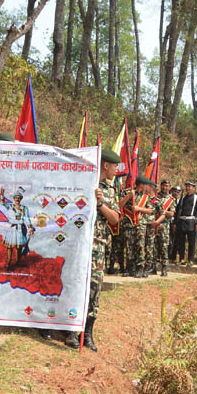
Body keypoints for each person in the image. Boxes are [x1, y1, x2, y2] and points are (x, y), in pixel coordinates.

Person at [81, 148, 123, 351]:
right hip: (79, 243)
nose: (116, 170)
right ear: (106, 165)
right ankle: (71, 331)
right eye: (115, 166)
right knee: (77, 284)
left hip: (98, 245)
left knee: (95, 287)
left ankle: (88, 332)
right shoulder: (83, 182)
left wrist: (100, 205)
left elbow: (115, 219)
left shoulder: (109, 190)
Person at [0, 187, 34, 269]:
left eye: (19, 198)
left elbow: (27, 219)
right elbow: (3, 203)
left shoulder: (24, 208)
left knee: (19, 247)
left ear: (21, 199)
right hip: (12, 229)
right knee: (9, 247)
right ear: (14, 199)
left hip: (20, 229)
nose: (17, 199)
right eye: (16, 198)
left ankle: (18, 262)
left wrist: (30, 228)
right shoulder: (10, 206)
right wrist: (2, 195)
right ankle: (8, 263)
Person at [174, 181, 197, 266]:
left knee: (191, 242)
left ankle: (191, 260)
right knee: (181, 242)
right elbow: (178, 210)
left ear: (194, 188)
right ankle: (182, 259)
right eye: (186, 186)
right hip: (181, 222)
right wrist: (175, 222)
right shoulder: (183, 198)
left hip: (191, 222)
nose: (187, 188)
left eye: (189, 186)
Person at [154, 180, 175, 276]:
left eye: (167, 186)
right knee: (153, 246)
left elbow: (171, 213)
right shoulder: (155, 196)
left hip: (164, 226)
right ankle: (152, 266)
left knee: (164, 246)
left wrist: (162, 212)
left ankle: (164, 267)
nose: (165, 187)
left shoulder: (171, 199)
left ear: (169, 186)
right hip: (154, 224)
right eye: (163, 185)